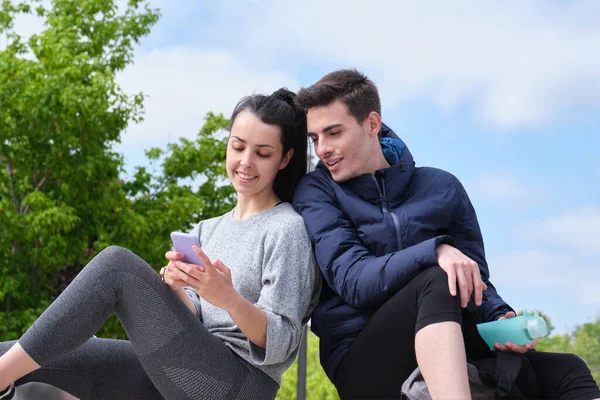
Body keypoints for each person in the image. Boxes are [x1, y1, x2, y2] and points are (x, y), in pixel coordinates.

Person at [292, 69, 600, 400]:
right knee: (436, 279)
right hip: (363, 358)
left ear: (371, 124)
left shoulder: (441, 187)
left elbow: (474, 278)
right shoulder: (317, 191)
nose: (322, 149)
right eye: (315, 138)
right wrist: (437, 251)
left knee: (567, 369)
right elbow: (354, 279)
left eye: (333, 133)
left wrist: (498, 315)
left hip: (452, 341)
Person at [0, 88, 321, 400]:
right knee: (20, 353)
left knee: (117, 267)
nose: (246, 161)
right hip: (190, 369)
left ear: (284, 158)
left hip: (240, 386)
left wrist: (229, 299)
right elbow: (197, 319)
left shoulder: (286, 229)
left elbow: (282, 341)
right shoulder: (208, 229)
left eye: (262, 153)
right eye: (238, 147)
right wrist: (176, 286)